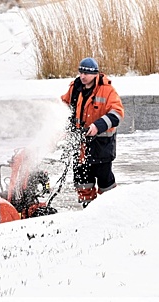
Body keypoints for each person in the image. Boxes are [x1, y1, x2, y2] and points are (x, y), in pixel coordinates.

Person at [61, 57, 125, 207]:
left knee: (105, 182)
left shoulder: (107, 90)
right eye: (81, 72)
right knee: (83, 181)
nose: (82, 76)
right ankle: (88, 210)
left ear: (95, 74)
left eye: (86, 73)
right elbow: (64, 105)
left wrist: (97, 126)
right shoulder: (75, 87)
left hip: (101, 146)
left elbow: (117, 113)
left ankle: (110, 209)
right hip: (79, 145)